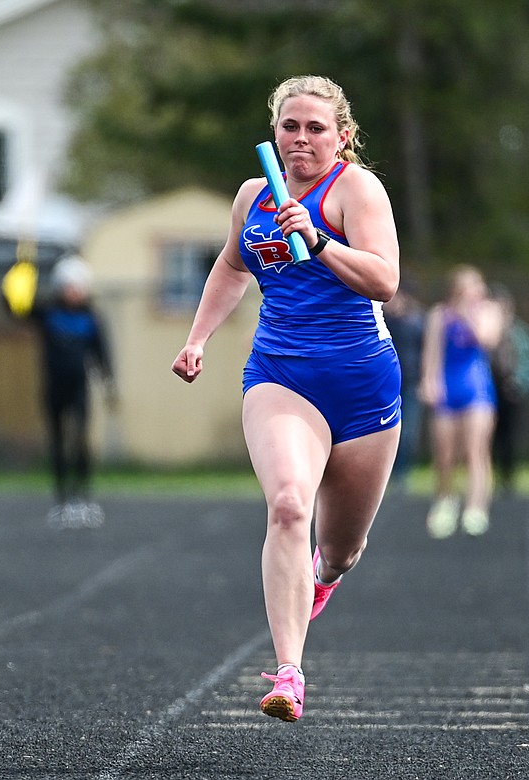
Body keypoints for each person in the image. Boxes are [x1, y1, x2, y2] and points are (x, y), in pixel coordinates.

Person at [171, 75, 401, 723]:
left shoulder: (356, 189)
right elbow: (230, 265)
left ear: (342, 137)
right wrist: (199, 338)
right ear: (274, 132)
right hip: (280, 375)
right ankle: (289, 672)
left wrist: (322, 240)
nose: (301, 139)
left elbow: (385, 280)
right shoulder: (253, 196)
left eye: (315, 128)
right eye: (290, 127)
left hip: (362, 386)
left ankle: (323, 579)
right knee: (289, 506)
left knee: (342, 548)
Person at [3, 254, 117, 528]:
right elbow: (15, 309)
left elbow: (102, 354)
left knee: (80, 441)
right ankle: (62, 498)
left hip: (80, 388)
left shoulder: (91, 318)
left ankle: (83, 497)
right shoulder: (49, 313)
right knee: (57, 443)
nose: (72, 291)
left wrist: (109, 382)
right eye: (68, 286)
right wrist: (19, 277)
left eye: (77, 286)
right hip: (54, 388)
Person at [419, 264, 504, 538]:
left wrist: (468, 314)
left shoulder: (490, 311)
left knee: (475, 449)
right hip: (448, 387)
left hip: (477, 389)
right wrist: (429, 382)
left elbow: (487, 339)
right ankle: (445, 500)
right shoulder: (439, 315)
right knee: (444, 453)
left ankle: (476, 507)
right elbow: (431, 352)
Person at [488, 283, 529, 494]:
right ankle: (490, 477)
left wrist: (518, 383)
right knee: (488, 437)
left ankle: (508, 477)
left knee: (509, 435)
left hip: (511, 389)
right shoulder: (485, 329)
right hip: (489, 388)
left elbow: (528, 359)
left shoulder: (519, 331)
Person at [382, 282, 426, 491]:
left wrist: (424, 380)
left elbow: (425, 352)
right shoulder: (383, 320)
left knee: (407, 432)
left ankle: (402, 474)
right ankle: (386, 474)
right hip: (386, 382)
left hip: (409, 382)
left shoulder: (417, 321)